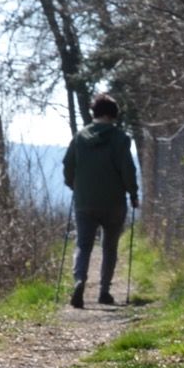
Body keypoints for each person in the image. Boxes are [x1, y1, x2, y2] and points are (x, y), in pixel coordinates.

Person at [62, 96, 138, 307]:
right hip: (114, 201)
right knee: (110, 246)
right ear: (112, 115)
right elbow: (127, 169)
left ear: (95, 113)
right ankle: (104, 291)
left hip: (85, 200)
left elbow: (68, 164)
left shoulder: (79, 137)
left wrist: (73, 185)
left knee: (83, 244)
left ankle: (79, 280)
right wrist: (133, 193)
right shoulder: (121, 138)